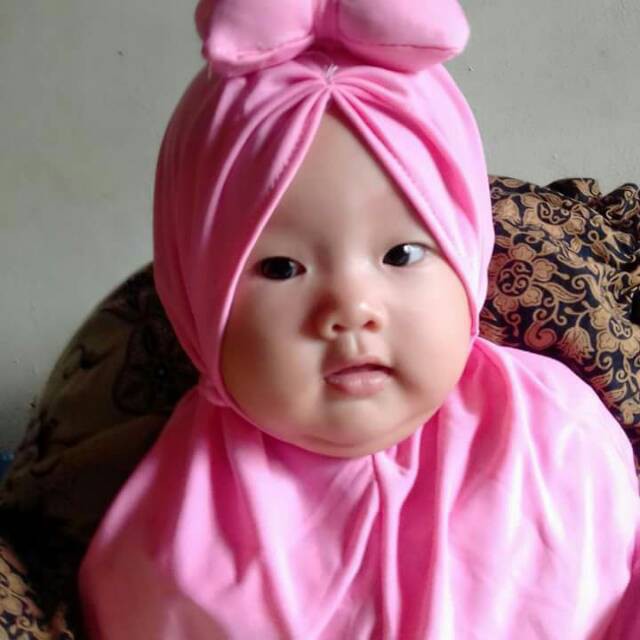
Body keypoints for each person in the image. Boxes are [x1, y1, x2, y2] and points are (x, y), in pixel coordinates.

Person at [77, 1, 640, 637]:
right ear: (195, 297)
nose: (350, 310)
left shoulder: (559, 436)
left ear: (468, 255)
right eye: (281, 268)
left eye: (402, 255)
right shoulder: (171, 533)